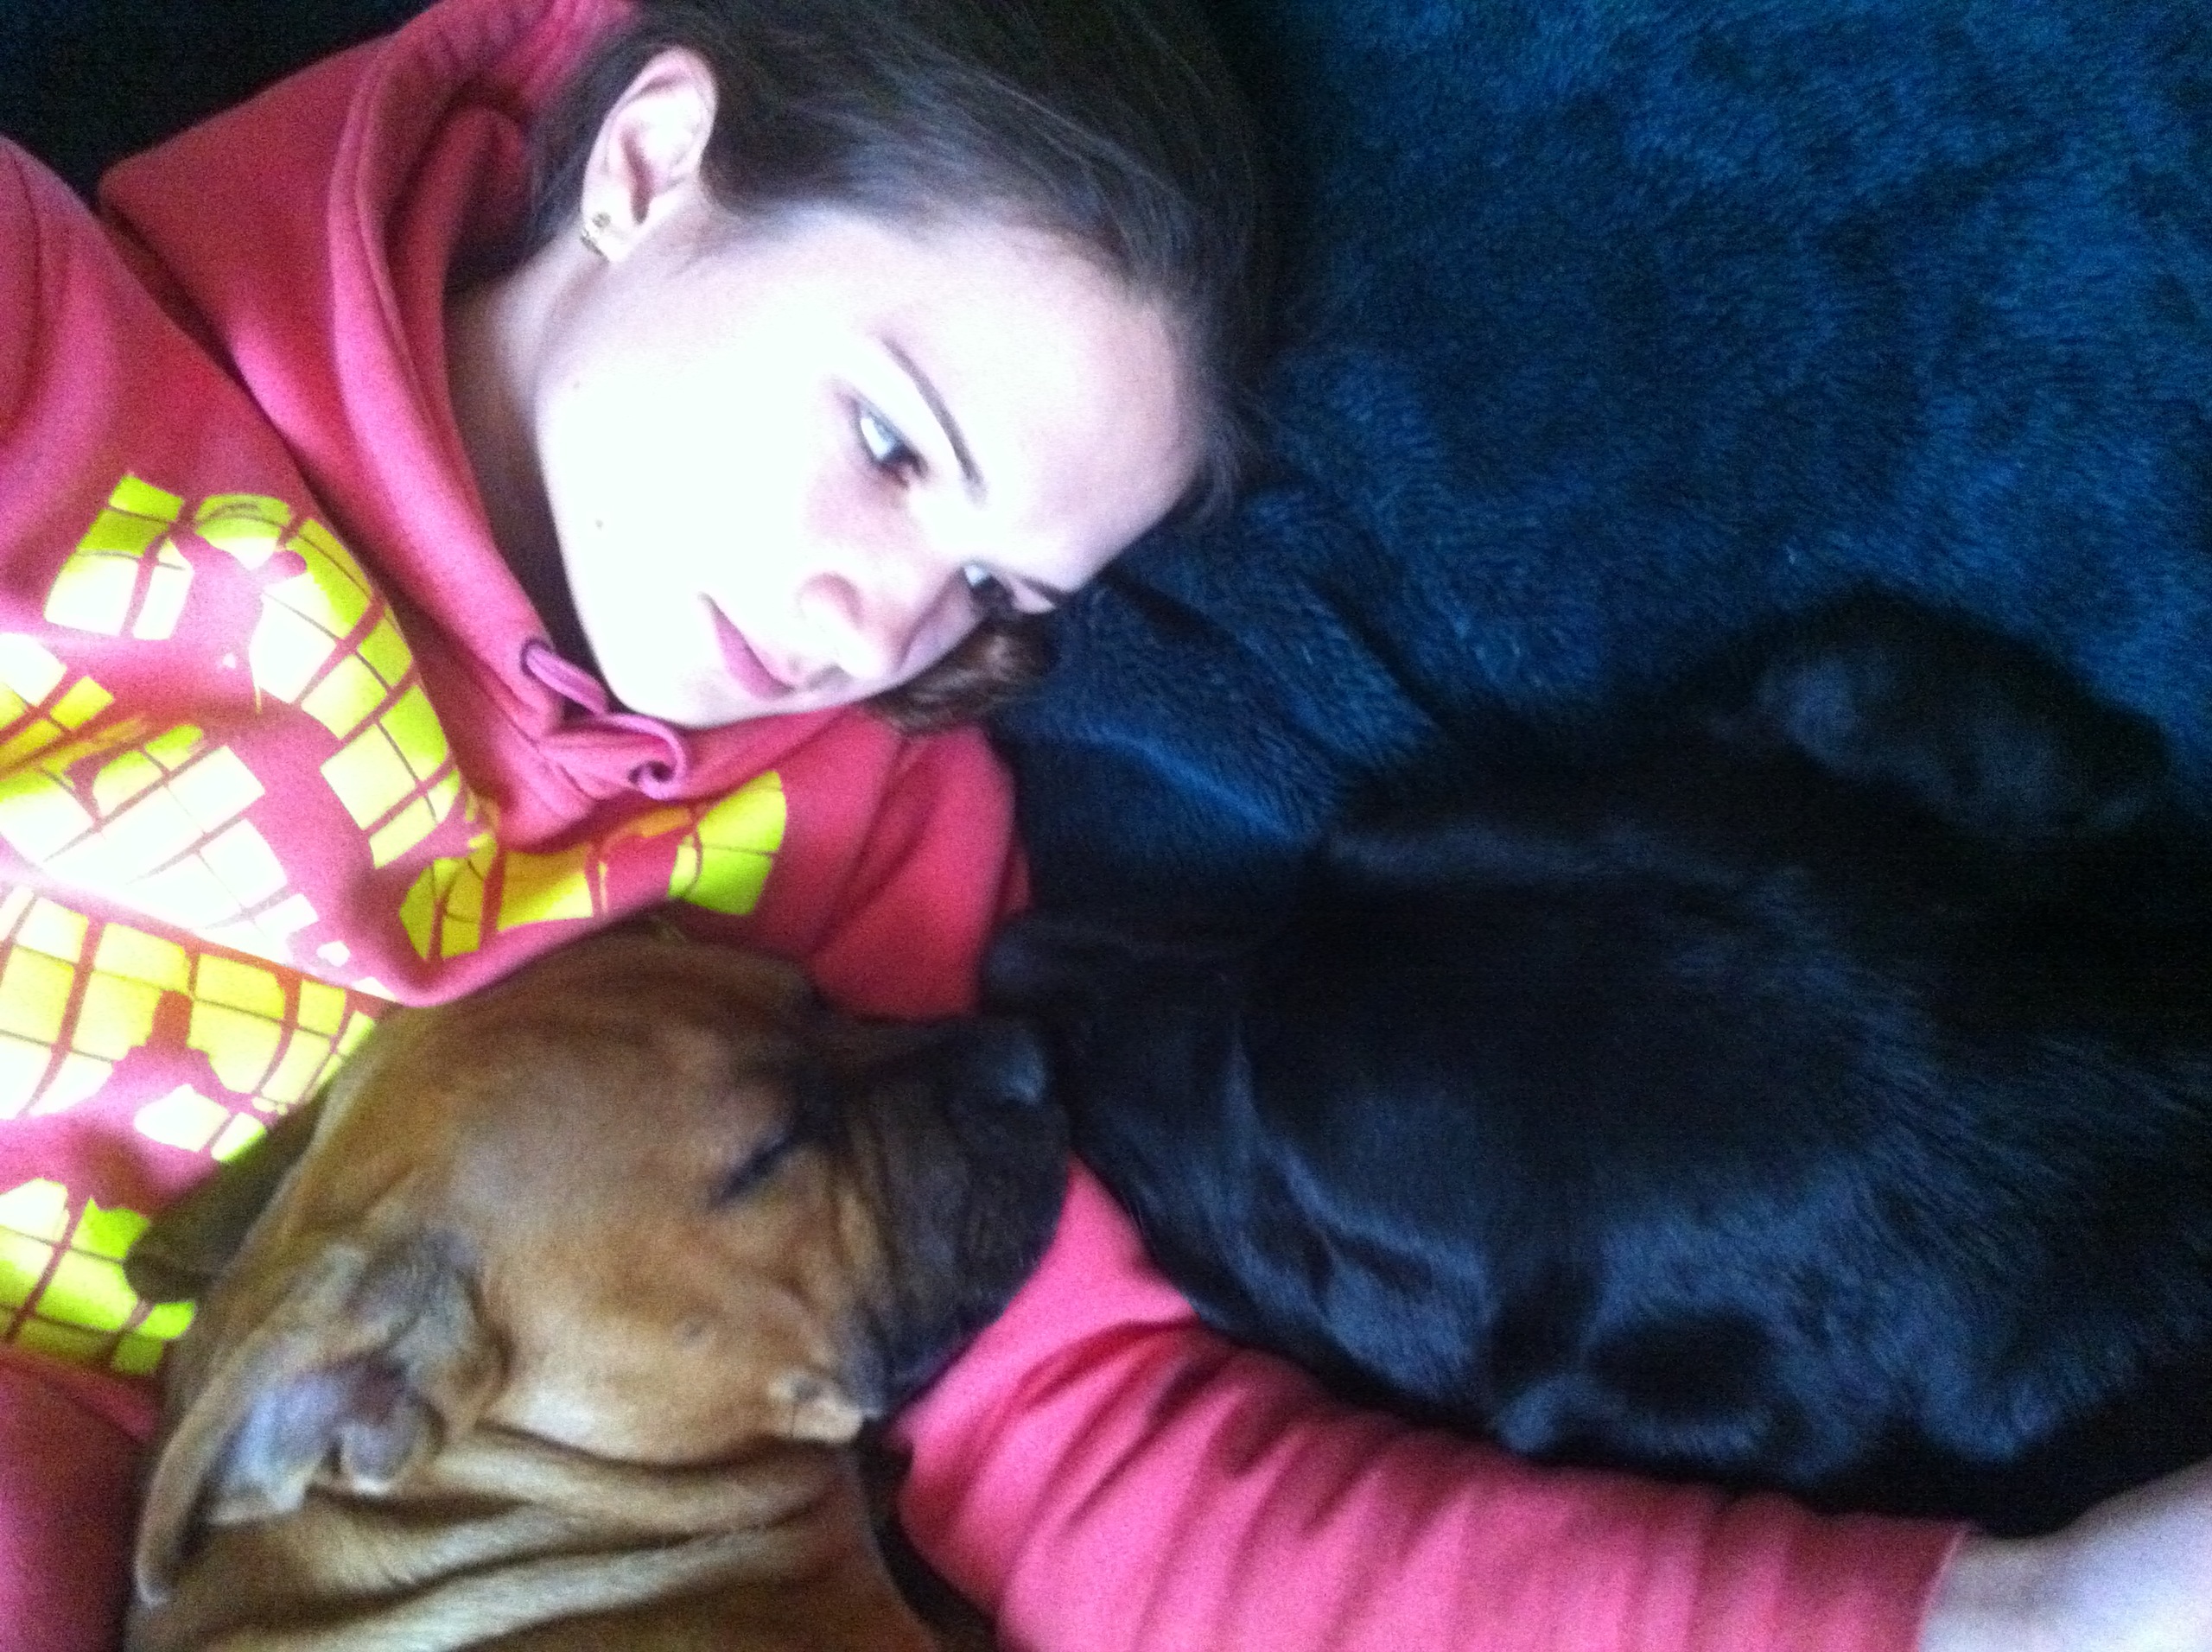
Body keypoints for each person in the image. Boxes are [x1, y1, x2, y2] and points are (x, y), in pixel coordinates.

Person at [0, 0, 2203, 1647]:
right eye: (889, 440)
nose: (877, 624)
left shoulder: (863, 842)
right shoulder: (62, 373)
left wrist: (2000, 1614)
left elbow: (1107, 1468)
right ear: (653, 157)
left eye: (994, 591)